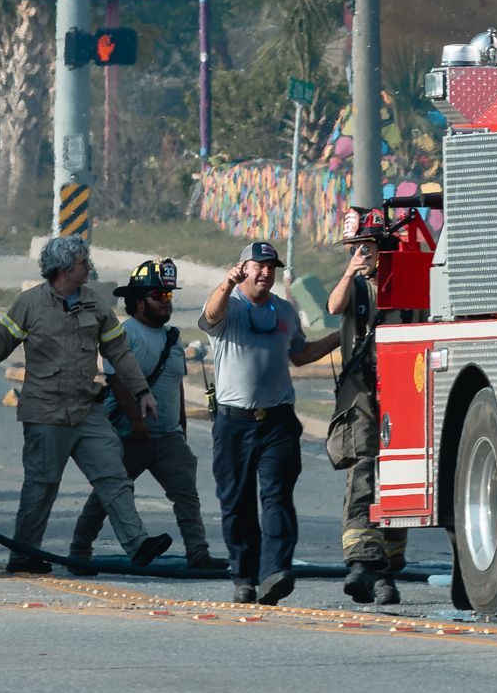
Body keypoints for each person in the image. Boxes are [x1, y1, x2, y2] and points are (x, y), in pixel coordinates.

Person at [0, 236, 173, 574]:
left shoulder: (95, 303)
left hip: (85, 409)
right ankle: (23, 553)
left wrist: (142, 392)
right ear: (63, 269)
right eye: (82, 263)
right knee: (42, 485)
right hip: (45, 412)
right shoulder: (29, 304)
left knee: (113, 475)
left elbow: (118, 351)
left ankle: (137, 544)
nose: (88, 267)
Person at [200, 241, 340, 605]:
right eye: (257, 265)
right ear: (242, 267)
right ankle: (244, 576)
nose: (265, 272)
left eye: (270, 267)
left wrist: (343, 335)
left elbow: (300, 354)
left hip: (277, 421)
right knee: (236, 503)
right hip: (234, 422)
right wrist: (225, 284)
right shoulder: (228, 306)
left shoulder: (284, 311)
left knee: (277, 497)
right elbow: (210, 316)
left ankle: (275, 572)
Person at [68, 259, 229, 575]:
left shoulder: (172, 338)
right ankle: (79, 553)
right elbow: (118, 380)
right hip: (131, 434)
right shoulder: (126, 334)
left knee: (187, 498)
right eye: (160, 295)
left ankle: (198, 554)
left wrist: (181, 427)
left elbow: (176, 386)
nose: (166, 302)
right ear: (139, 300)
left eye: (169, 296)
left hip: (168, 436)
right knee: (108, 495)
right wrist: (138, 423)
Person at [327, 209, 408, 605]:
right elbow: (332, 305)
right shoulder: (356, 287)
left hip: (401, 390)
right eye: (355, 248)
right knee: (363, 466)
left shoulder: (404, 282)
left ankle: (385, 568)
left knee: (400, 472)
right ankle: (362, 561)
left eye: (367, 246)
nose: (361, 253)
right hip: (361, 392)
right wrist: (350, 272)